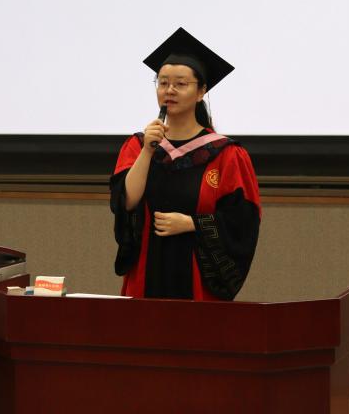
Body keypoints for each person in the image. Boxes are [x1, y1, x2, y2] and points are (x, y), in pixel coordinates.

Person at [110, 27, 261, 300]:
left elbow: (242, 222)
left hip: (196, 278)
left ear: (201, 91)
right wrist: (147, 151)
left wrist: (193, 223)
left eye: (180, 84)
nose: (169, 90)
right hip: (147, 272)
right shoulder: (138, 146)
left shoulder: (226, 154)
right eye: (163, 83)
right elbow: (126, 202)